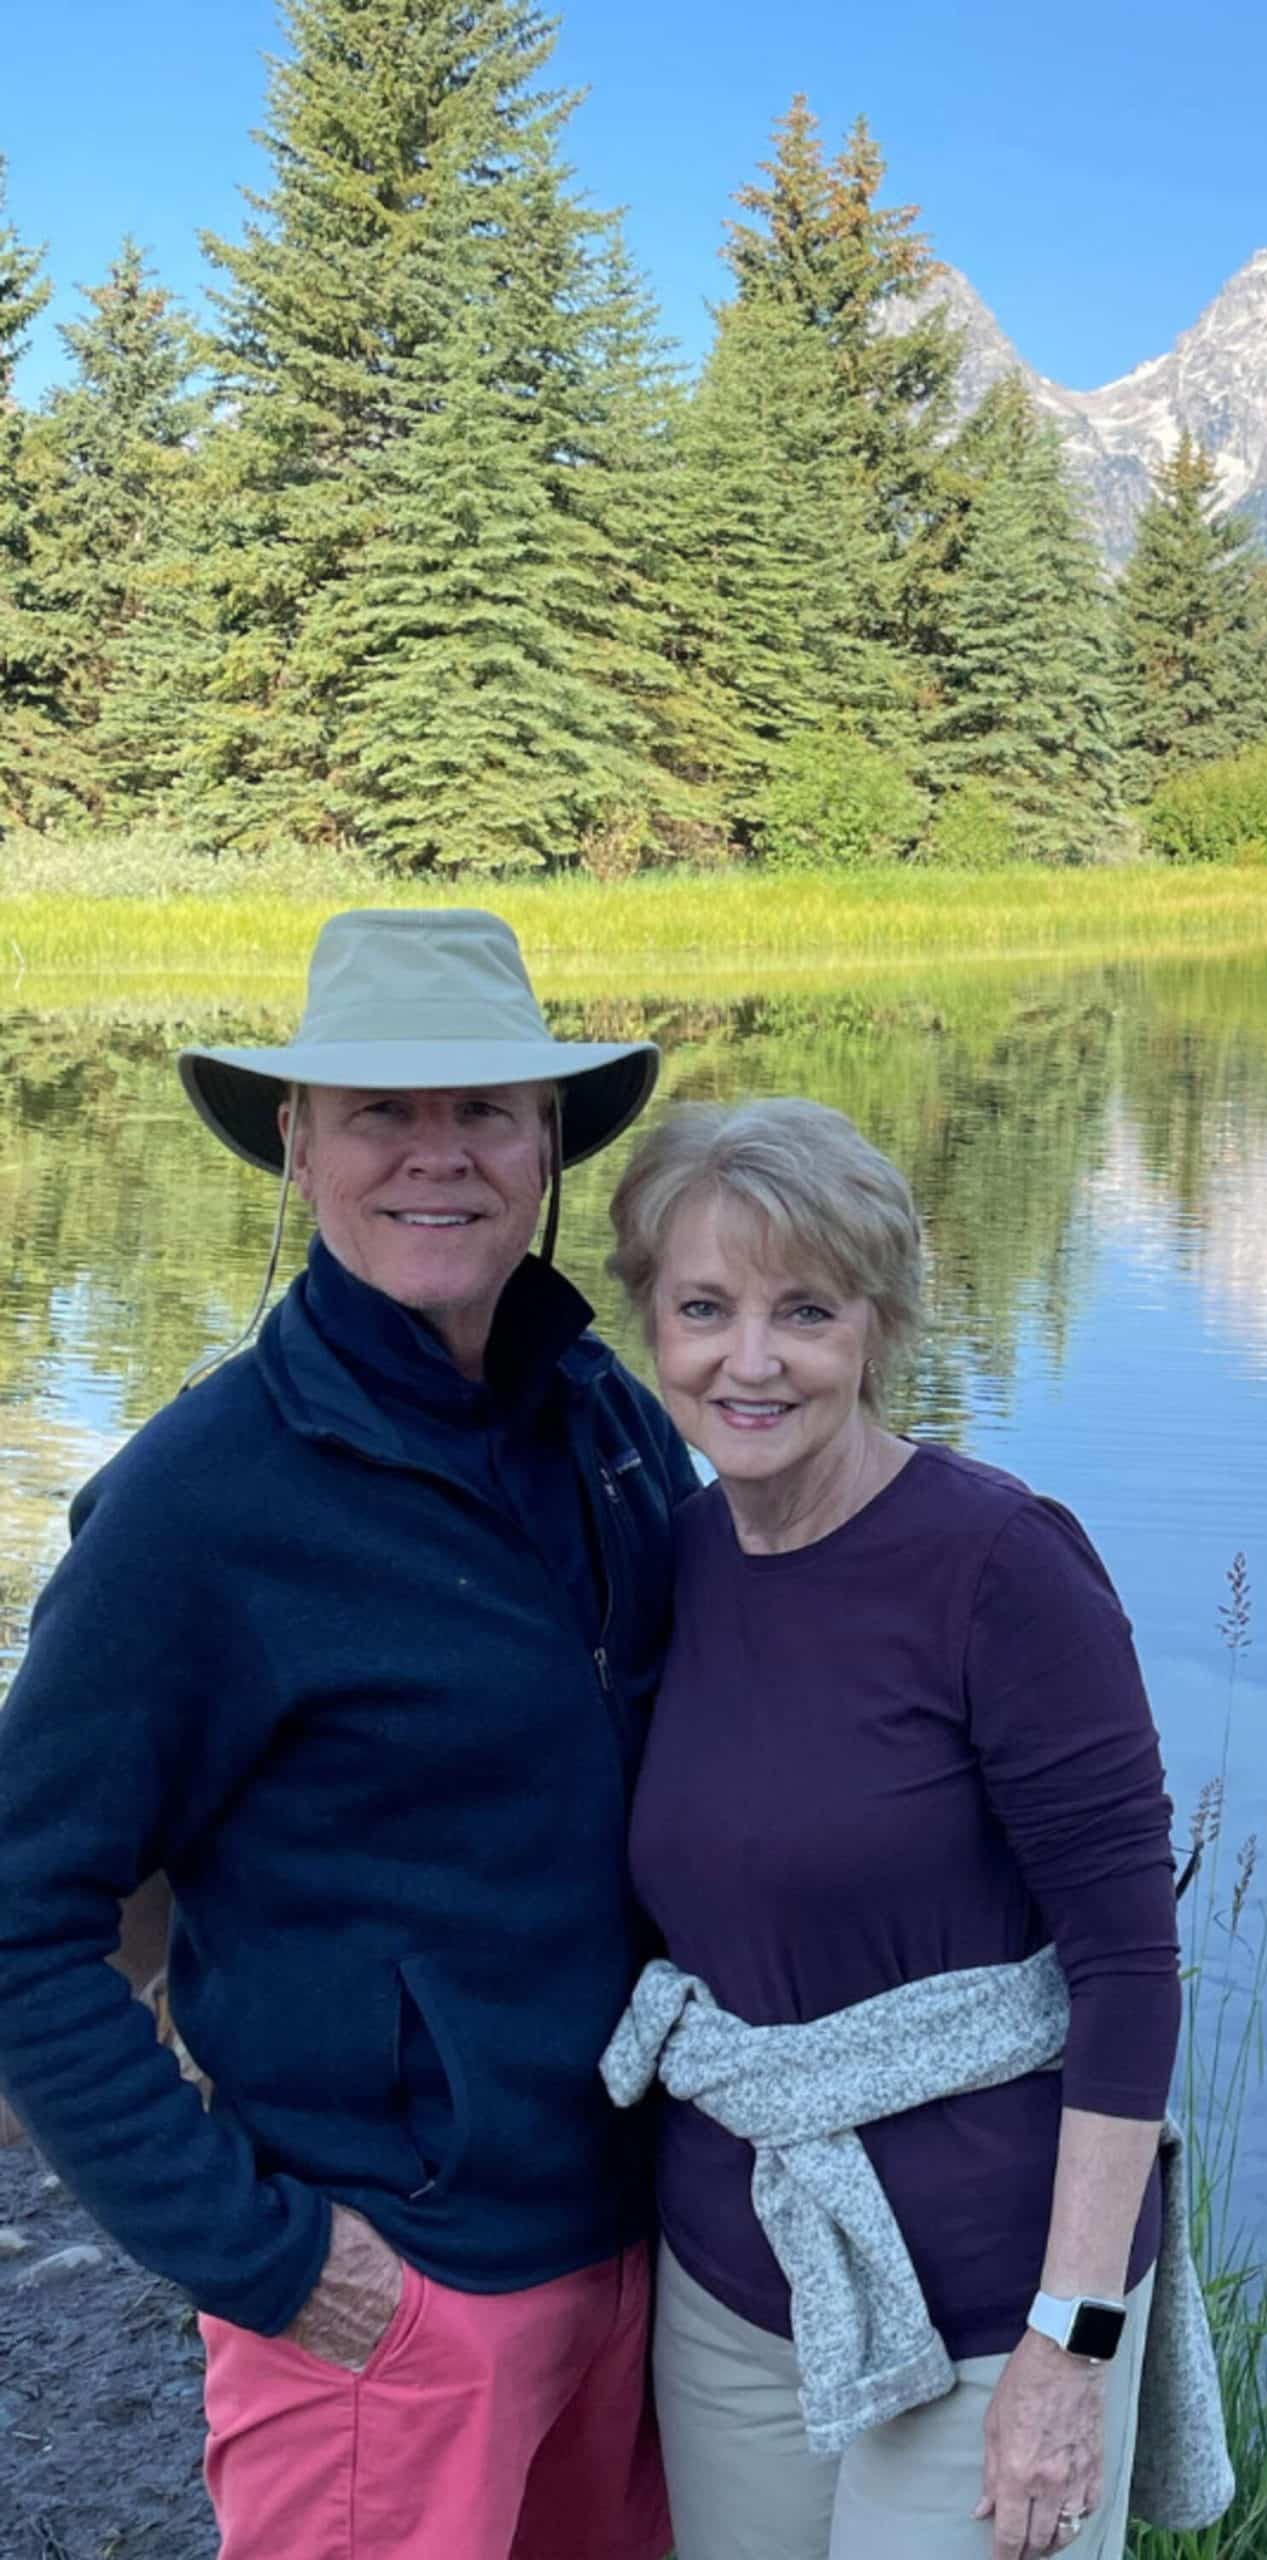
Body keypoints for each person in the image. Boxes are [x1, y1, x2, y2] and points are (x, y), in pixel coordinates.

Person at [0, 907, 696, 2560]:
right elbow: (22, 1926)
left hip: (646, 2269)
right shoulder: (198, 1508)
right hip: (398, 2307)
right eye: (383, 1112)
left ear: (547, 1149)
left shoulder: (606, 1425)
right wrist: (268, 2260)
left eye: (483, 1111)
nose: (434, 1156)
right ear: (299, 1147)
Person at [598, 1098, 1231, 2560]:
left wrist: (1069, 2344)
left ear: (878, 1325)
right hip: (733, 2290)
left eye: (804, 1311)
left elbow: (1131, 1974)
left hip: (993, 2306)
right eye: (705, 1309)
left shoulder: (1000, 1568)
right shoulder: (676, 1565)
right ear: (653, 1328)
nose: (749, 1361)